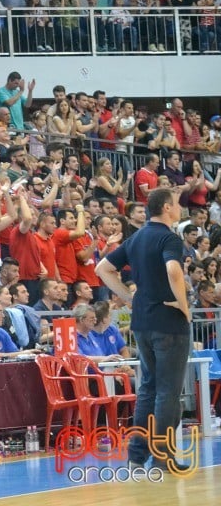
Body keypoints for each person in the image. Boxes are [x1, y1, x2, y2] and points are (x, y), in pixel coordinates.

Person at [95, 188, 192, 472]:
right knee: (167, 392)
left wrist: (128, 297)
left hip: (142, 323)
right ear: (165, 207)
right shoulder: (169, 237)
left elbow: (103, 269)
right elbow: (174, 271)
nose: (179, 208)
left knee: (148, 389)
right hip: (168, 323)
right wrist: (184, 306)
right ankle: (163, 458)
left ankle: (137, 456)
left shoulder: (135, 238)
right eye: (176, 204)